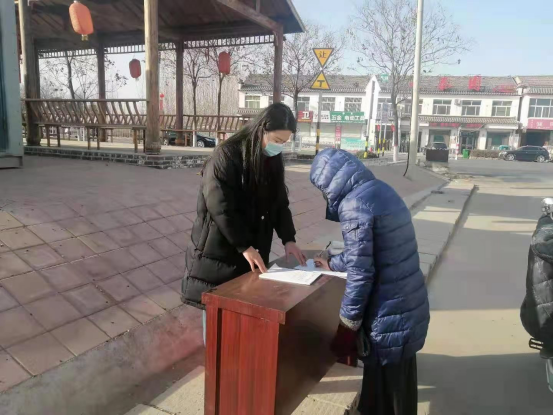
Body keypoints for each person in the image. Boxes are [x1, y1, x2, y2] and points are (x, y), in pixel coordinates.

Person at [311, 149, 430, 415]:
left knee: (385, 395)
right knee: (400, 387)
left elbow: (361, 274)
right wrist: (332, 262)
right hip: (407, 305)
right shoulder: (380, 190)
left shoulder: (354, 205)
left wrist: (347, 326)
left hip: (387, 315)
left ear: (329, 183)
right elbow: (367, 253)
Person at [182, 103, 306, 323]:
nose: (279, 147)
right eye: (277, 140)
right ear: (261, 129)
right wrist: (244, 246)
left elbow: (279, 202)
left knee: (241, 319)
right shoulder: (226, 155)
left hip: (250, 250)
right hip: (219, 250)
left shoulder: (271, 159)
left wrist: (289, 239)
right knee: (217, 317)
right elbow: (220, 206)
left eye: (284, 143)